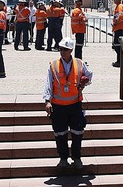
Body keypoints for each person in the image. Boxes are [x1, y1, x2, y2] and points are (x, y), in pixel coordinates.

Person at [43, 38, 93, 169]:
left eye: (65, 49)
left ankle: (76, 158)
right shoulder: (53, 65)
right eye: (60, 49)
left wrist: (85, 82)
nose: (62, 52)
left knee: (77, 132)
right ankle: (63, 158)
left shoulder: (79, 63)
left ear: (71, 50)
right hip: (58, 106)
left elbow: (89, 75)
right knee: (60, 133)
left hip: (75, 104)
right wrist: (47, 101)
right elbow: (48, 83)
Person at [111, 0, 123, 67]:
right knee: (117, 45)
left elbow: (121, 16)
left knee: (117, 45)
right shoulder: (118, 6)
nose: (114, 0)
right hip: (118, 28)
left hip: (119, 28)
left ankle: (120, 61)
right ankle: (119, 61)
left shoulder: (120, 6)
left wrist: (116, 23)